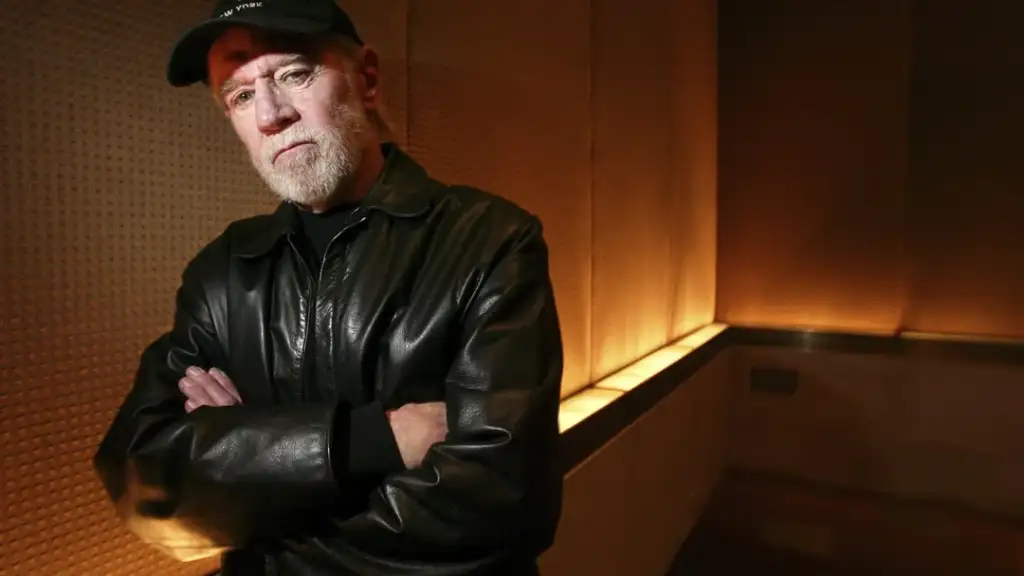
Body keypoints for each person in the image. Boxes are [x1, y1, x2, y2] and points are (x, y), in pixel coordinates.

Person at [91, 1, 565, 574]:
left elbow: (501, 506)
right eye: (239, 95)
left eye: (293, 73)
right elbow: (146, 482)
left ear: (366, 79)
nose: (270, 114)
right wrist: (374, 441)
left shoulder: (487, 241)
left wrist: (251, 470)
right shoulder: (222, 273)